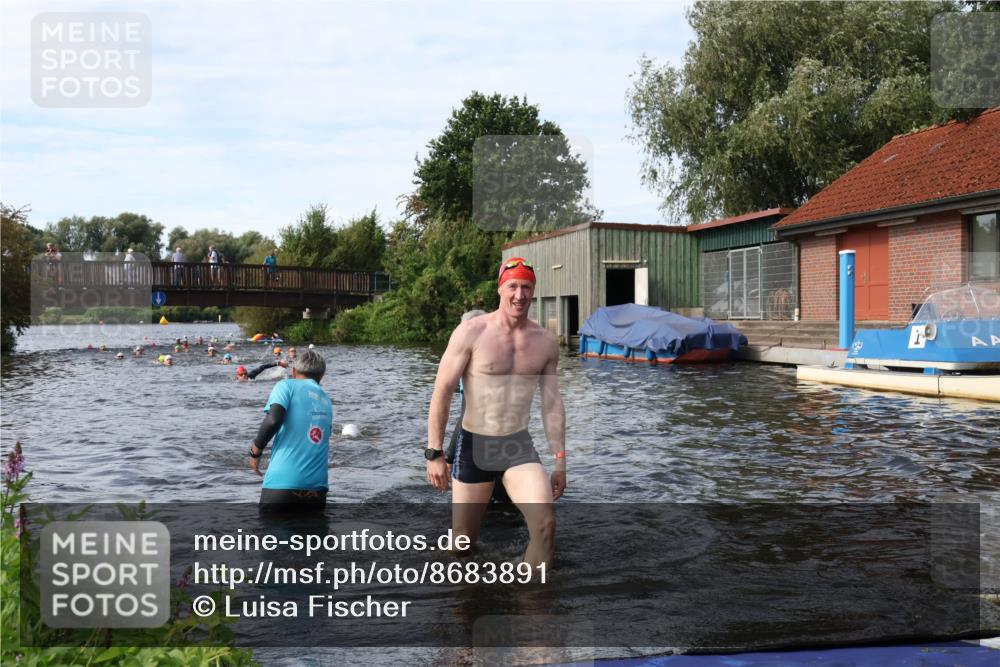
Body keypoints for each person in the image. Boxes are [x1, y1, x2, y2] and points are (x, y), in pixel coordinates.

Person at [425, 258, 565, 568]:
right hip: (475, 445)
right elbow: (442, 391)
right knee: (462, 544)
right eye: (513, 286)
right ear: (500, 289)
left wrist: (560, 461)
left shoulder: (545, 342)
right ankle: (466, 592)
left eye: (526, 287)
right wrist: (434, 453)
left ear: (534, 291)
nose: (519, 294)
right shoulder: (471, 332)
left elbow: (552, 404)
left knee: (545, 525)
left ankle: (530, 596)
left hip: (517, 445)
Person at [248, 350, 333, 510]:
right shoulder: (326, 399)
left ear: (294, 371)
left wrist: (255, 451)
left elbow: (273, 420)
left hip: (282, 485)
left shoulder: (286, 385)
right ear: (322, 375)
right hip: (318, 489)